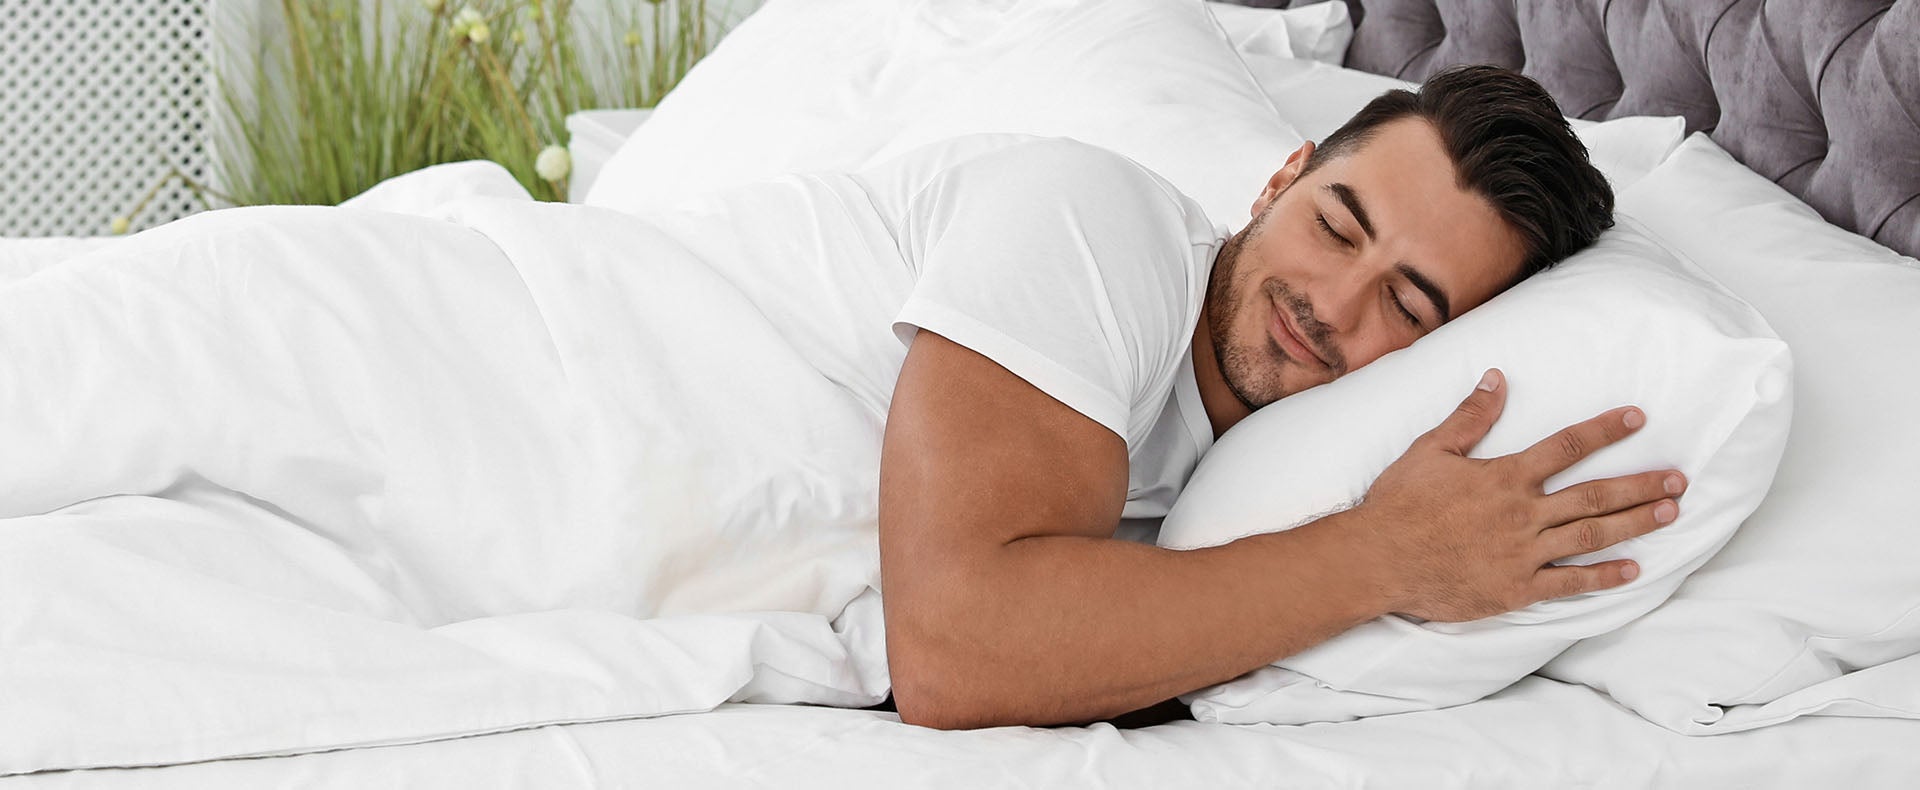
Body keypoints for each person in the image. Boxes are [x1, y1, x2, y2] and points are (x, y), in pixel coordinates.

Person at [862, 65, 1686, 729]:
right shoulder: (1096, 219)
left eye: (1406, 306)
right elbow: (954, 656)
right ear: (1281, 180)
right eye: (1334, 228)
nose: (1329, 305)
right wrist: (1391, 556)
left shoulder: (1229, 494)